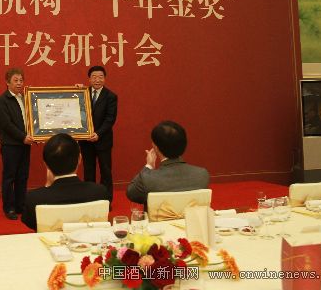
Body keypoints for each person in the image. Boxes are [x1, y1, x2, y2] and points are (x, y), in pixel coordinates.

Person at [21, 133, 109, 230]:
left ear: (45, 164)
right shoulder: (100, 193)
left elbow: (31, 223)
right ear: (79, 159)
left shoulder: (34, 199)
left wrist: (47, 187)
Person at [126, 120, 209, 205]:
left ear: (156, 147)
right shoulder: (202, 175)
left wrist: (149, 166)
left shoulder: (147, 179)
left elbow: (131, 193)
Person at [0, 67, 34, 220]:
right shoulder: (2, 101)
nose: (19, 83)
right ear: (7, 82)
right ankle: (9, 208)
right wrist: (23, 137)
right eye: (15, 80)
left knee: (23, 176)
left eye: (21, 80)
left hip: (25, 143)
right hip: (11, 145)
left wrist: (34, 134)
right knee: (9, 177)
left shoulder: (25, 98)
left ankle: (20, 205)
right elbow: (7, 124)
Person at [78, 66, 118, 203]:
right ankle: (90, 199)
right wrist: (76, 91)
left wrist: (98, 134)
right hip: (86, 141)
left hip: (103, 140)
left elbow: (110, 119)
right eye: (94, 77)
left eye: (100, 77)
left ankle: (106, 200)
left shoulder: (111, 96)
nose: (97, 80)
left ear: (104, 79)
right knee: (89, 171)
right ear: (89, 79)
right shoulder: (83, 93)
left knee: (105, 171)